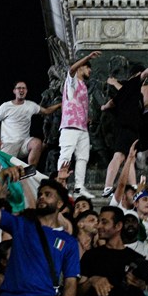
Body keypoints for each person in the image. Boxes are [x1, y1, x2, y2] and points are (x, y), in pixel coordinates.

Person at [100, 53, 148, 198]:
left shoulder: (124, 90)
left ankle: (134, 186)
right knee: (119, 156)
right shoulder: (134, 83)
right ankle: (108, 187)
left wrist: (104, 107)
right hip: (127, 127)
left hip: (129, 128)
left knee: (130, 158)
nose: (145, 79)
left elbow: (112, 103)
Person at [57, 51, 101, 200]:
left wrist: (86, 118)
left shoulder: (82, 85)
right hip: (70, 126)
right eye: (88, 68)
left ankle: (79, 187)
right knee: (66, 156)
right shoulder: (73, 81)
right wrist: (87, 57)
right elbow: (71, 70)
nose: (90, 72)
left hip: (82, 127)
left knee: (83, 157)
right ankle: (60, 186)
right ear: (82, 67)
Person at [0, 81, 61, 169]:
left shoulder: (30, 105)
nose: (21, 90)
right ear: (14, 91)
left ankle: (31, 170)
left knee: (37, 143)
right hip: (9, 144)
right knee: (5, 172)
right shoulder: (6, 106)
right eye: (19, 88)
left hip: (24, 143)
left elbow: (46, 111)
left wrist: (60, 104)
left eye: (24, 88)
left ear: (26, 91)